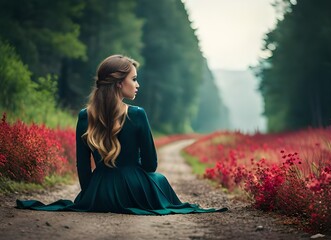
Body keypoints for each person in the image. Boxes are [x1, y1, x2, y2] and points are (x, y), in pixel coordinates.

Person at [16, 54, 227, 215]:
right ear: (119, 83)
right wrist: (133, 176)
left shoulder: (83, 116)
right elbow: (150, 165)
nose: (138, 84)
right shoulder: (137, 114)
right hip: (134, 187)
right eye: (134, 79)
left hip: (98, 190)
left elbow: (83, 165)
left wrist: (92, 195)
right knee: (159, 179)